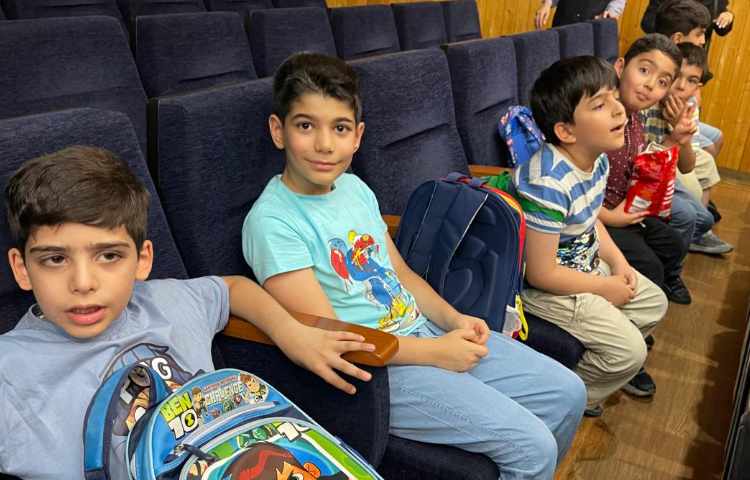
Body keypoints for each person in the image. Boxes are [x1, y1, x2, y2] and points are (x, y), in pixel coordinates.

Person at [242, 52, 586, 479]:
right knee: (532, 447)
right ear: (279, 131)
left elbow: (401, 275)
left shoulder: (353, 188)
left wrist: (454, 319)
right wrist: (436, 354)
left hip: (423, 331)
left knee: (569, 393)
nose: (325, 145)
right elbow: (332, 340)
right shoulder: (272, 222)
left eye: (340, 128)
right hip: (376, 371)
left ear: (358, 136)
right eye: (306, 126)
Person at [0, 146, 375, 479]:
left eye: (109, 256)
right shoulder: (10, 369)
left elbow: (232, 289)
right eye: (55, 259)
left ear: (142, 260)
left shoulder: (168, 301)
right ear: (21, 268)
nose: (83, 283)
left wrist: (290, 332)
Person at [514, 55, 668, 418]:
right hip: (547, 289)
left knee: (654, 303)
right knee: (630, 352)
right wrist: (603, 288)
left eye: (614, 95)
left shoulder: (596, 158)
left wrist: (618, 262)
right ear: (566, 131)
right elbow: (541, 274)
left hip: (583, 265)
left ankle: (601, 358)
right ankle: (567, 401)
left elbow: (590, 220)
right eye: (599, 105)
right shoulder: (547, 182)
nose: (618, 109)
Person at [598, 34, 695, 305]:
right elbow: (575, 186)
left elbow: (646, 169)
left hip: (625, 209)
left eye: (662, 82)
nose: (650, 85)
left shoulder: (636, 118)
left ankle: (662, 286)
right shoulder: (599, 116)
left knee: (674, 244)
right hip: (599, 217)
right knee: (651, 267)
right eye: (644, 70)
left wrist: (674, 140)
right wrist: (611, 217)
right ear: (620, 67)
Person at [641, 42, 733, 255]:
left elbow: (687, 166)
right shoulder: (649, 102)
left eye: (691, 81)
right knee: (687, 216)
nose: (681, 86)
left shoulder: (688, 107)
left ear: (697, 87)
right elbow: (645, 169)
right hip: (645, 178)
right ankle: (666, 262)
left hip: (664, 173)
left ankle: (679, 243)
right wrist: (673, 136)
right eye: (677, 76)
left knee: (706, 219)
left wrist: (680, 132)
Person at [641, 0, 734, 50]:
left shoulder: (716, 1)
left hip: (692, 57)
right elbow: (647, 22)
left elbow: (721, 30)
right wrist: (679, 34)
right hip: (662, 50)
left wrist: (728, 16)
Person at [535, 0, 627, 29]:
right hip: (563, 21)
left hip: (591, 27)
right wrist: (548, 3)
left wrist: (610, 13)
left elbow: (618, 1)